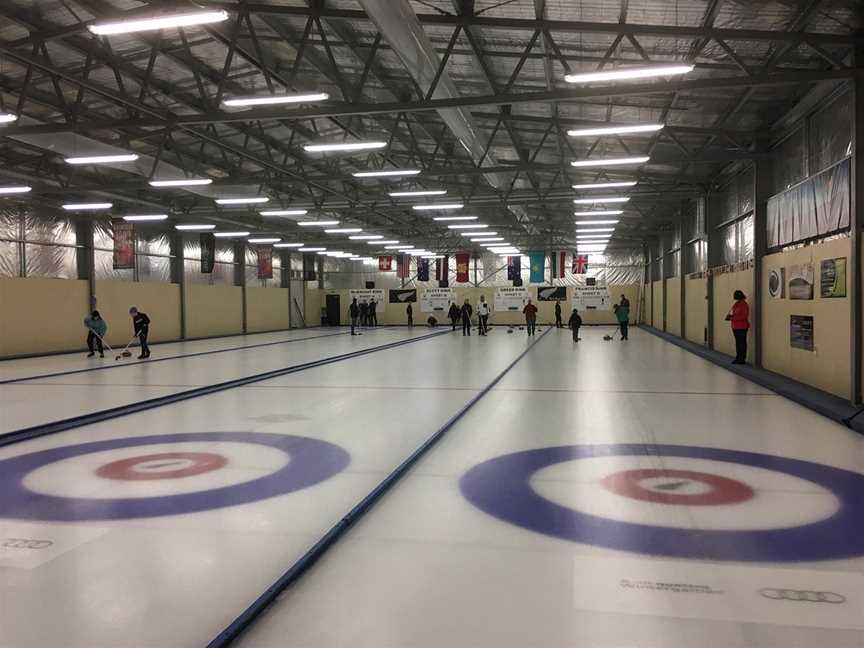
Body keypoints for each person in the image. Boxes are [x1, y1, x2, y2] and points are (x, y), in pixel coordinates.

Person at [727, 290, 750, 364]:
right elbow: (735, 313)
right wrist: (731, 316)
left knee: (742, 343)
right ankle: (738, 357)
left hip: (742, 327)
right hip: (735, 327)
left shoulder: (744, 304)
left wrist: (732, 318)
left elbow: (744, 316)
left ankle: (742, 359)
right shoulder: (736, 304)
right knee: (738, 343)